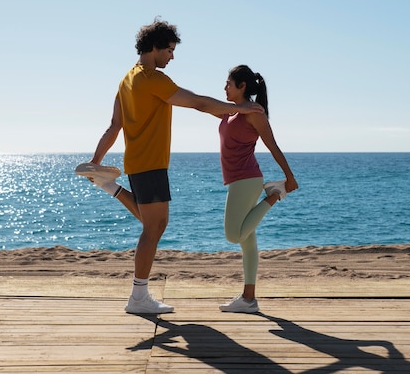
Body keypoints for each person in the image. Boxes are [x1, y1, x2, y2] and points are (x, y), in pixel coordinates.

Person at [79, 20, 264, 314]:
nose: (172, 57)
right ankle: (139, 296)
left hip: (136, 163)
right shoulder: (153, 79)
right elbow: (198, 103)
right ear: (154, 48)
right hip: (151, 163)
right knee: (154, 227)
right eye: (169, 50)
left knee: (154, 224)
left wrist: (96, 161)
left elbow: (115, 125)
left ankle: (109, 185)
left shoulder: (126, 79)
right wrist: (238, 108)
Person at [216, 65, 298, 313]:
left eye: (229, 83)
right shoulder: (229, 111)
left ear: (242, 87)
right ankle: (249, 298)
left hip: (247, 179)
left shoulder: (254, 114)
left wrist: (289, 177)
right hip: (237, 180)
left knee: (233, 235)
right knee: (247, 241)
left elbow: (272, 145)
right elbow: (202, 105)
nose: (225, 88)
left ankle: (274, 195)